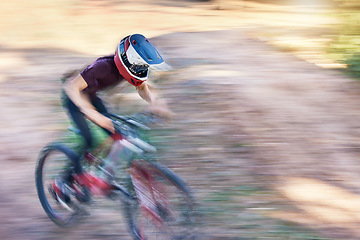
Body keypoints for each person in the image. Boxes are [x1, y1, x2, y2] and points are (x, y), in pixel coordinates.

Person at [53, 34, 173, 207]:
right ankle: (61, 182)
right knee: (89, 139)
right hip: (74, 98)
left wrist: (155, 103)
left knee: (116, 135)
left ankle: (101, 174)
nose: (142, 69)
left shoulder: (130, 69)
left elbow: (142, 87)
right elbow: (71, 87)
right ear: (129, 61)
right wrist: (93, 114)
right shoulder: (103, 66)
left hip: (91, 96)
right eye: (140, 65)